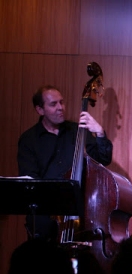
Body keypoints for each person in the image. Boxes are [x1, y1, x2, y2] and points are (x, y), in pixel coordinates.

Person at [17, 85, 113, 239]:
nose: (60, 108)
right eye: (53, 104)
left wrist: (99, 132)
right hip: (45, 216)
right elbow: (30, 181)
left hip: (79, 211)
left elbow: (103, 159)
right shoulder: (29, 140)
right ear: (40, 110)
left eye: (61, 102)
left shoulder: (78, 130)